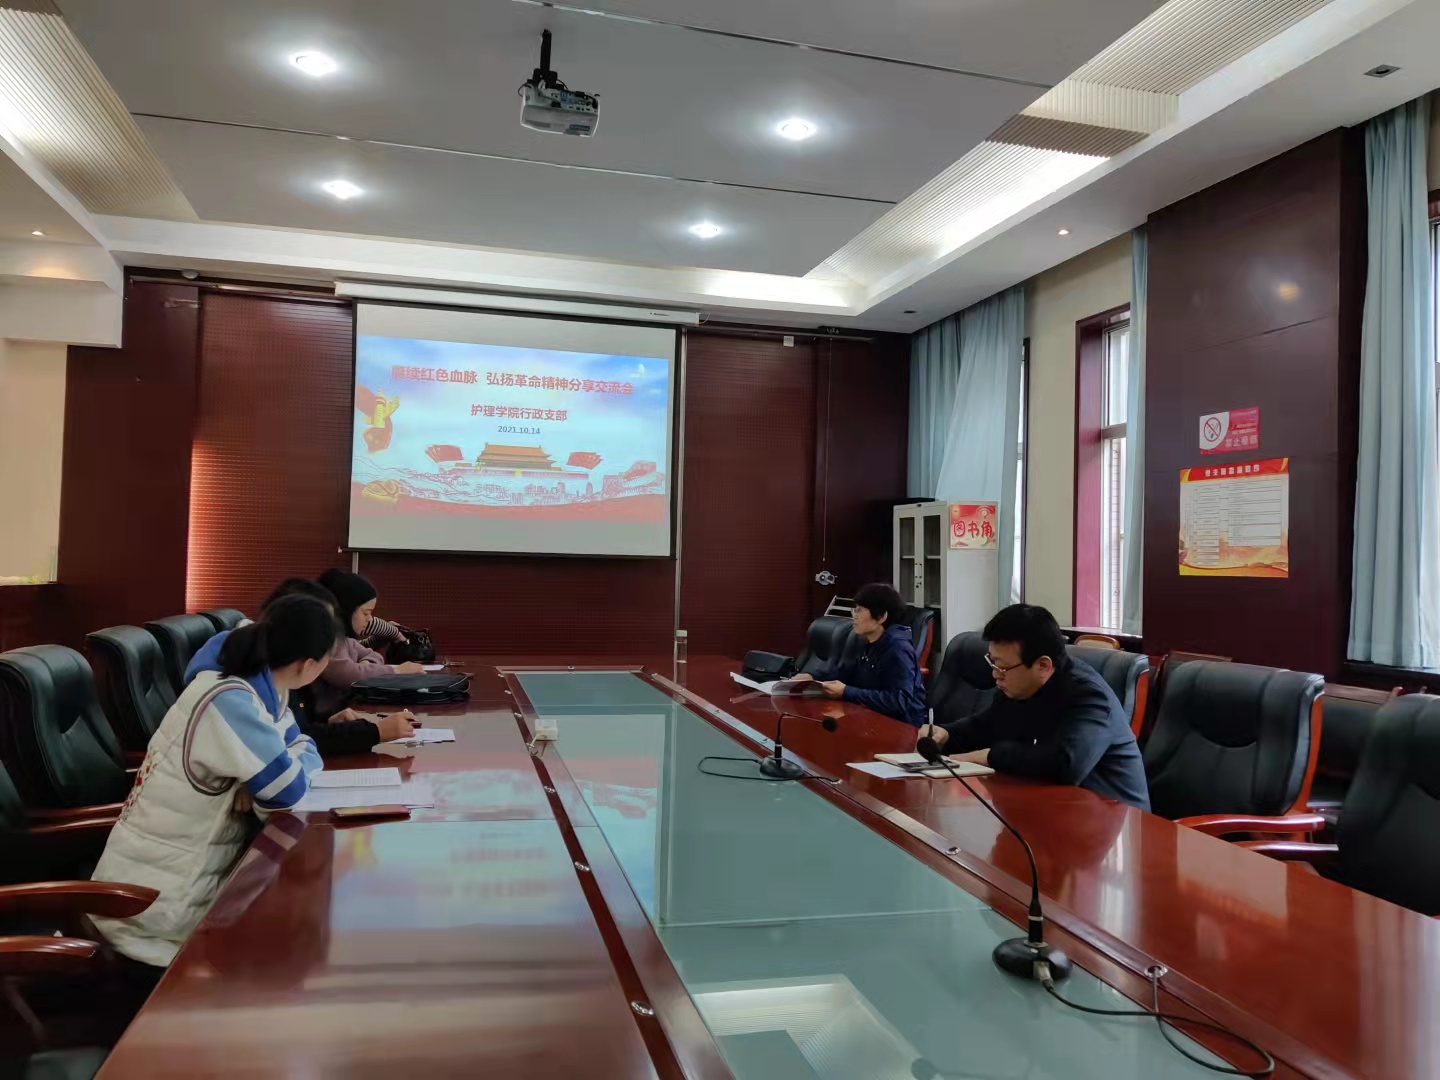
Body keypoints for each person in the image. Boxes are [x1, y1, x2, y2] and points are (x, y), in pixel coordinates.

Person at [89, 595, 335, 968]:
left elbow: (298, 747)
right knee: (276, 955)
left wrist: (277, 767)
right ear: (309, 665)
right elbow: (286, 791)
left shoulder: (260, 687)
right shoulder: (231, 701)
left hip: (183, 886)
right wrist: (282, 766)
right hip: (155, 910)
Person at [917, 603, 1150, 810]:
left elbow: (1066, 764)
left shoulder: (1090, 697)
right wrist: (947, 734)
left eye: (1002, 667)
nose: (995, 674)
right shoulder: (1021, 685)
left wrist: (989, 756)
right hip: (1055, 808)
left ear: (1043, 666)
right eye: (993, 662)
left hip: (1115, 821)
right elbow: (987, 724)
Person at [185, 578, 417, 754]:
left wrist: (327, 723)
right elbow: (288, 744)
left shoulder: (267, 660)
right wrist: (374, 732)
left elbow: (295, 731)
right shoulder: (251, 675)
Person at [792, 582, 926, 728]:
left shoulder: (898, 649)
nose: (854, 616)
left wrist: (847, 692)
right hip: (870, 719)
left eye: (859, 610)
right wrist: (812, 677)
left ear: (881, 616)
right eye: (854, 610)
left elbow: (898, 701)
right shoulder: (866, 642)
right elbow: (845, 672)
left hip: (900, 727)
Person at [313, 569, 424, 717]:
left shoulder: (346, 640)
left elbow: (373, 655)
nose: (370, 619)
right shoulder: (328, 641)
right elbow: (350, 675)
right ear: (346, 611)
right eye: (366, 613)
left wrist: (365, 665)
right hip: (324, 719)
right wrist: (396, 671)